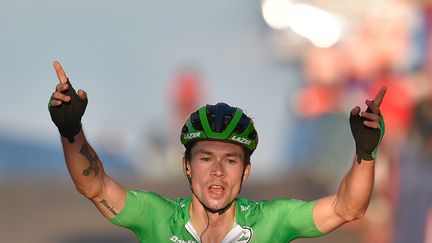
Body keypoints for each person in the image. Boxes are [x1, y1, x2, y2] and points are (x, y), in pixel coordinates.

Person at [48, 61, 387, 242]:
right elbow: (94, 187)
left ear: (246, 171)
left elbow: (348, 208)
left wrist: (365, 154)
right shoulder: (158, 218)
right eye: (206, 158)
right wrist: (70, 130)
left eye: (230, 160)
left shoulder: (271, 222)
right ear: (187, 166)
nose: (218, 172)